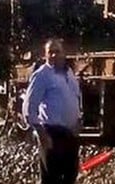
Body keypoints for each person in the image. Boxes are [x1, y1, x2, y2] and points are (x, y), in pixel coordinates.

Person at [22, 39, 82, 184]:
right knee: (51, 178)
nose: (54, 55)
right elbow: (29, 107)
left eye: (57, 51)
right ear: (46, 55)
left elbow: (77, 97)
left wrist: (79, 121)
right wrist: (41, 134)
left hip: (70, 134)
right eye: (51, 52)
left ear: (64, 53)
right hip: (51, 134)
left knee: (70, 176)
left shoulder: (69, 73)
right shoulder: (42, 75)